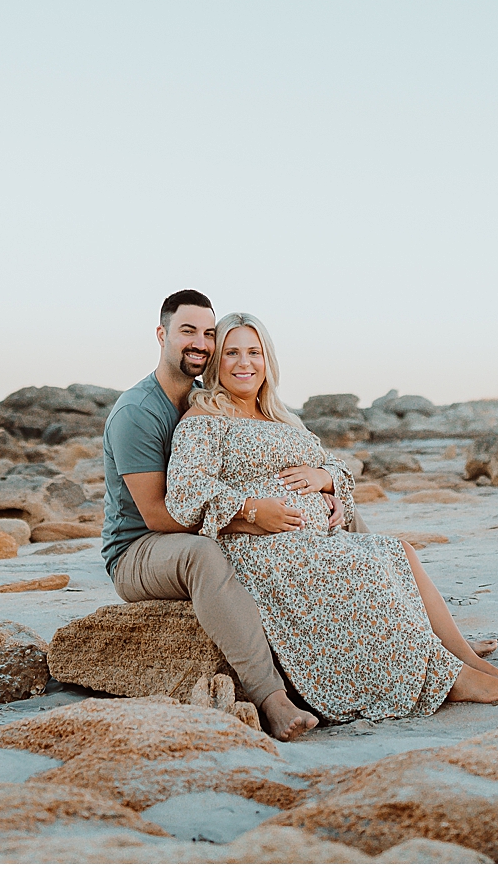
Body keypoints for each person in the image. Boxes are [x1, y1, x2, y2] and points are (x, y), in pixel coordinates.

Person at [164, 311, 498, 723]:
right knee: (362, 567)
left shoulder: (282, 417)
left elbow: (335, 467)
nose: (244, 363)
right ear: (216, 362)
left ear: (268, 359)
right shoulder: (206, 419)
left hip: (310, 540)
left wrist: (326, 479)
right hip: (260, 548)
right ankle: (452, 678)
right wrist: (252, 509)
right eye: (232, 352)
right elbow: (186, 492)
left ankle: (458, 654)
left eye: (254, 352)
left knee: (398, 551)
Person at [100, 289, 338, 741]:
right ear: (162, 334)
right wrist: (251, 516)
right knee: (203, 554)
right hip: (138, 551)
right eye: (187, 331)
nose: (200, 342)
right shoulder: (137, 412)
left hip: (197, 524)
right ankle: (270, 697)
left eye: (208, 333)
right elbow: (157, 515)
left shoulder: (204, 397)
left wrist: (322, 485)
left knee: (335, 525)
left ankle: (431, 646)